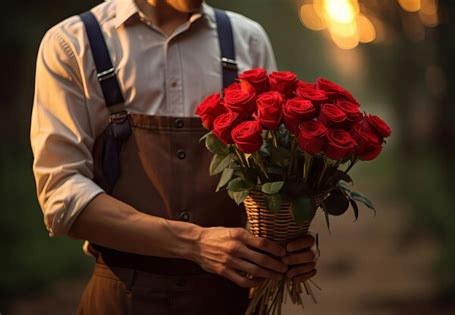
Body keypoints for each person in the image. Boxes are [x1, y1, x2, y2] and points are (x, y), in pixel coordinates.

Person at [30, 0, 318, 313]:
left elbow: (273, 173)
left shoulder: (247, 39)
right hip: (121, 301)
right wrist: (194, 243)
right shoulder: (73, 43)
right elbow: (62, 197)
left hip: (231, 302)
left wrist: (284, 245)